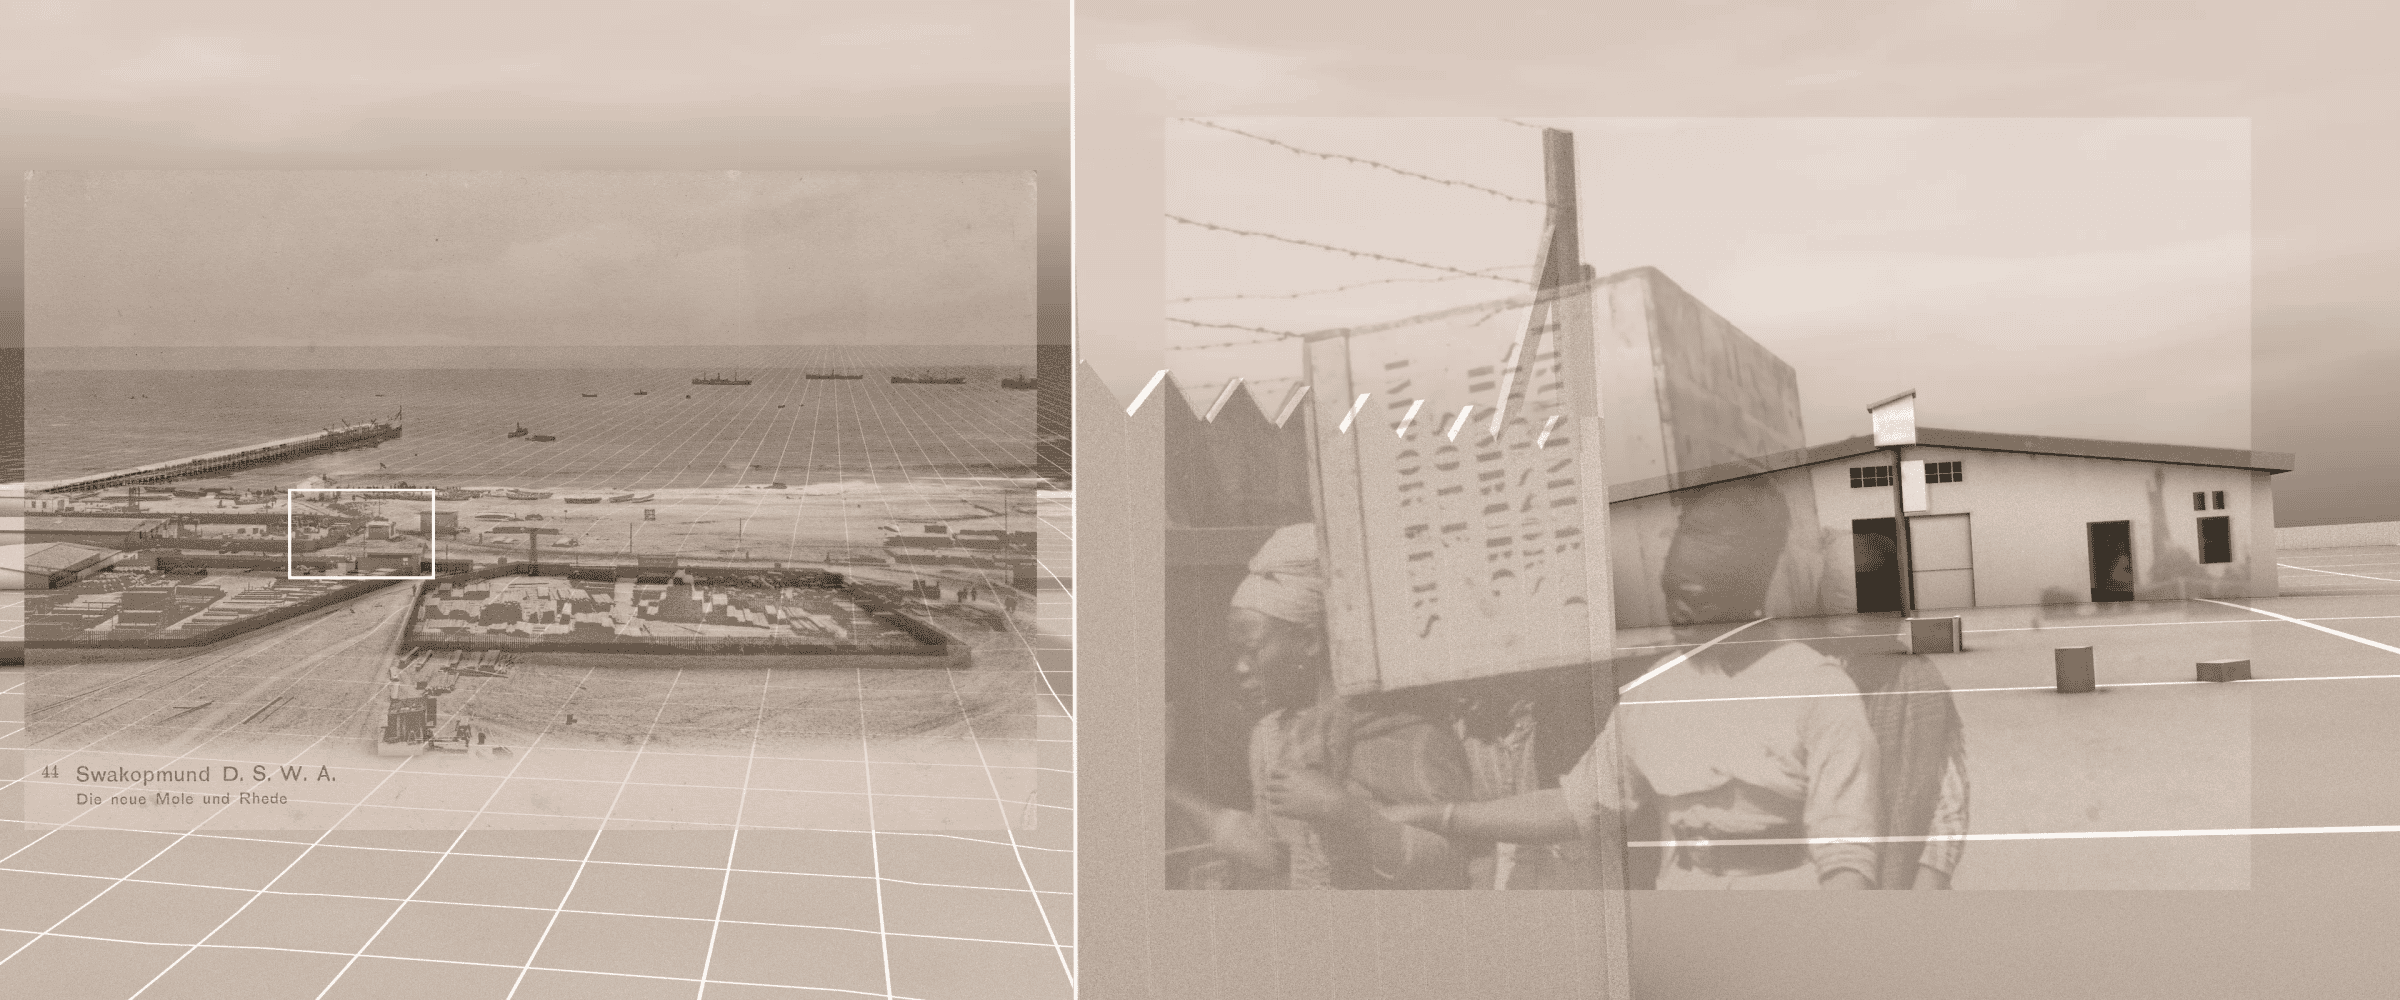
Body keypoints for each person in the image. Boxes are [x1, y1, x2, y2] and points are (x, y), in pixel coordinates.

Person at [1389, 478, 1887, 889]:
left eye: (1701, 599)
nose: (1681, 616)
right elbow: (1577, 805)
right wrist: (1443, 816)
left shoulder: (1818, 691)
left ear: (1748, 593)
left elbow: (1848, 860)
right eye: (1673, 596)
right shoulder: (1656, 689)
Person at [1166, 523, 1474, 889]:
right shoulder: (1271, 737)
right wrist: (1165, 786)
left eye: (1252, 650)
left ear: (1310, 641)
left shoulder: (1406, 732)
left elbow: (1452, 865)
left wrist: (1343, 811)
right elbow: (1276, 853)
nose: (1241, 668)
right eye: (1235, 654)